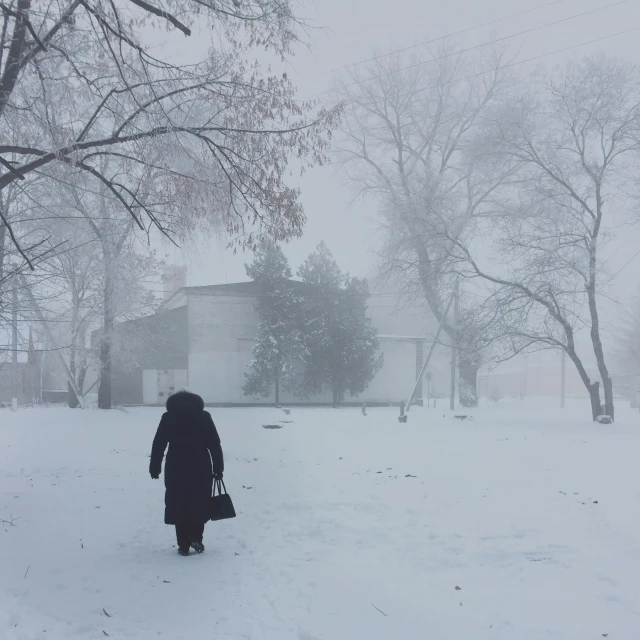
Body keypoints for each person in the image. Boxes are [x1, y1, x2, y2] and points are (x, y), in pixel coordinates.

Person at [149, 390, 224, 556]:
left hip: (176, 467)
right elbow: (214, 444)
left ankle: (183, 543)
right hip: (201, 467)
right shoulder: (204, 417)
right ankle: (197, 537)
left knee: (178, 503)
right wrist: (218, 468)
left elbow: (159, 443)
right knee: (199, 502)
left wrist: (155, 466)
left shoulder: (168, 418)